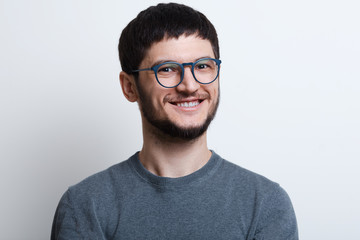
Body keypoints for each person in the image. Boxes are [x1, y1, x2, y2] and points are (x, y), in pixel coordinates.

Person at [51, 3, 298, 239]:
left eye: (203, 66)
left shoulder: (266, 204)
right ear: (129, 87)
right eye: (167, 69)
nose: (189, 85)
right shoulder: (85, 205)